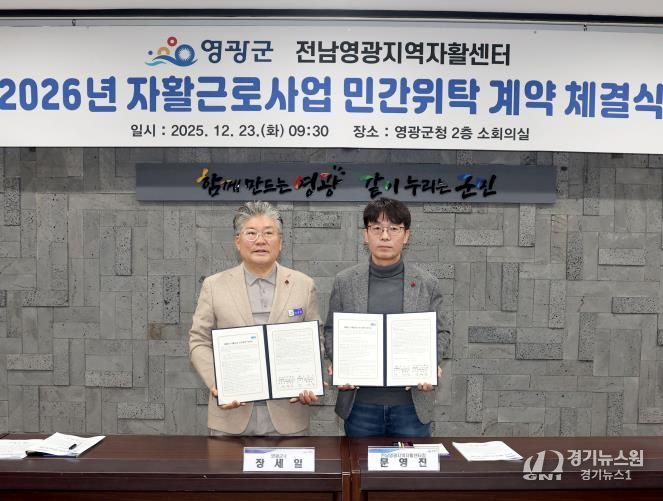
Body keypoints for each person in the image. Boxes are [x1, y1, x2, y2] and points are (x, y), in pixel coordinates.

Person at [189, 201, 321, 436]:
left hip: (288, 417)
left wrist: (311, 381)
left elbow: (315, 341)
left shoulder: (303, 285)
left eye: (268, 233)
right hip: (231, 416)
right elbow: (199, 340)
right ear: (237, 241)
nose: (260, 241)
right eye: (251, 233)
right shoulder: (214, 286)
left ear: (280, 241)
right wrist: (218, 383)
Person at [324, 197, 451, 437]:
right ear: (366, 235)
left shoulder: (427, 284)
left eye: (393, 229)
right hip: (360, 406)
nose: (385, 236)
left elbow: (441, 332)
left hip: (411, 406)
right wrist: (339, 364)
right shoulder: (345, 281)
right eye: (377, 229)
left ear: (406, 235)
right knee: (359, 463)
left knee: (412, 463)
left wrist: (428, 365)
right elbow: (331, 330)